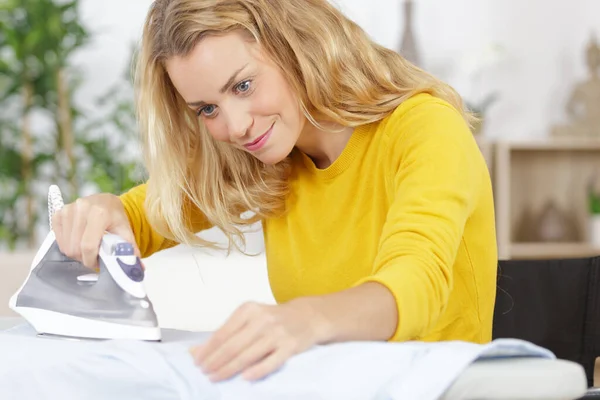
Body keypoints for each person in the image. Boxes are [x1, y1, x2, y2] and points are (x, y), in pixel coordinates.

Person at [51, 0, 497, 384]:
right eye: (208, 108)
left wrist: (307, 319)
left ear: (295, 43)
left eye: (243, 85)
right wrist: (105, 213)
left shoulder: (425, 130)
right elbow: (150, 211)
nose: (236, 126)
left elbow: (415, 284)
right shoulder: (268, 159)